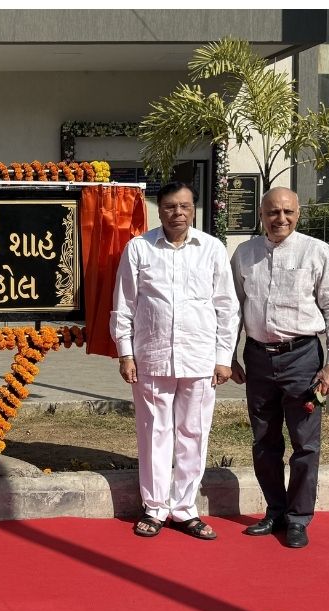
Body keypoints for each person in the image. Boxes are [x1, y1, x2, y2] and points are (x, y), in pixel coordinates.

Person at [111, 181, 239, 540]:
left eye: (184, 206)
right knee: (154, 433)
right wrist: (125, 353)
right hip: (152, 358)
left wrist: (224, 358)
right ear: (160, 210)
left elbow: (226, 307)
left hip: (200, 359)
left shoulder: (211, 249)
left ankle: (184, 509)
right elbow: (124, 305)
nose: (177, 213)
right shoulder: (139, 248)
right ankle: (154, 508)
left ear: (193, 209)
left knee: (193, 433)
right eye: (170, 207)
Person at [230, 187, 329, 549]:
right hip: (258, 359)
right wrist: (228, 355)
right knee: (264, 440)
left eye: (287, 212)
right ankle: (275, 511)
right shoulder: (244, 253)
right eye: (272, 212)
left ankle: (298, 518)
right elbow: (233, 308)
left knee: (304, 443)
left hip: (302, 359)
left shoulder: (316, 251)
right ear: (261, 215)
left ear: (298, 214)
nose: (280, 219)